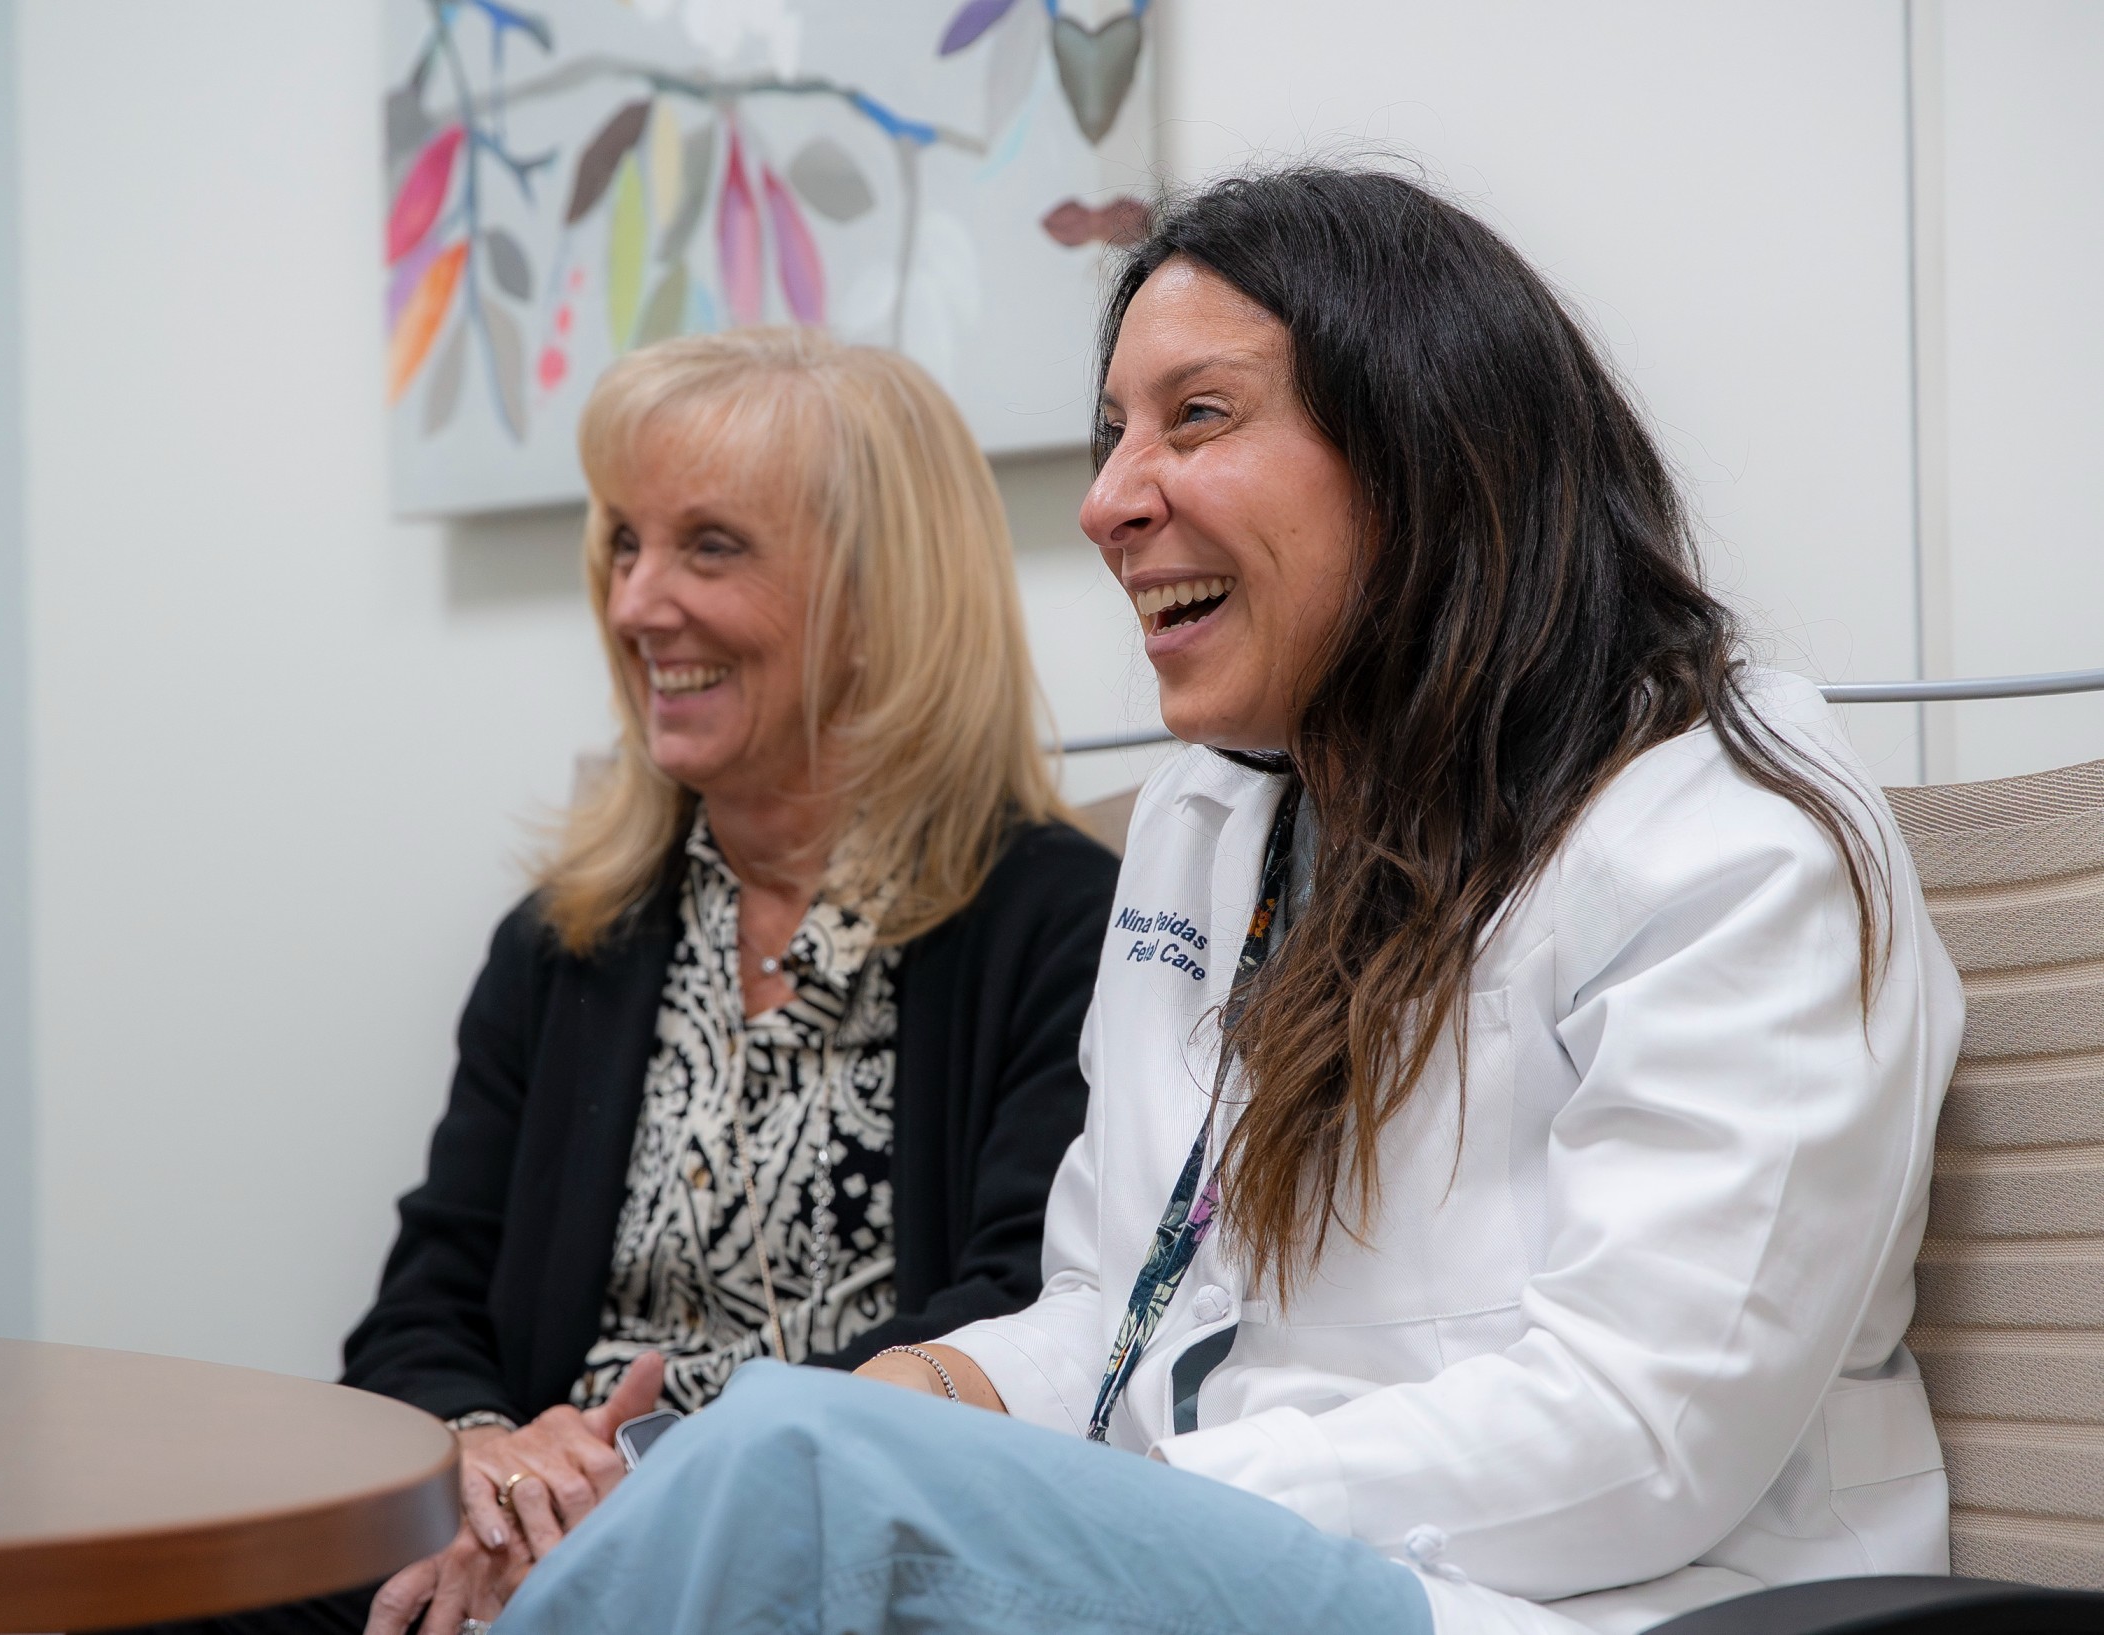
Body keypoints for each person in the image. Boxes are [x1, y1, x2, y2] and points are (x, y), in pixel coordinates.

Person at [478, 167, 1965, 1635]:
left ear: (1429, 444)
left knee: (796, 1484)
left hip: (1590, 1603)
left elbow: (1647, 1430)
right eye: (1112, 433)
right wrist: (936, 1392)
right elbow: (1121, 1307)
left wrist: (1116, 1502)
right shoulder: (1220, 818)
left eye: (1197, 417)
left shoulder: (1725, 825)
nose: (1112, 501)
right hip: (1247, 1553)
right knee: (747, 1452)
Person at [140, 330, 1117, 1635]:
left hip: (825, 1545)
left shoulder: (1060, 925)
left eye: (710, 546)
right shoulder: (567, 941)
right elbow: (419, 1312)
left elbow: (1027, 1318)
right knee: (151, 1598)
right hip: (519, 1529)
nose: (636, 604)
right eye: (624, 544)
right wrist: (493, 1465)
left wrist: (640, 1486)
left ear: (882, 591)